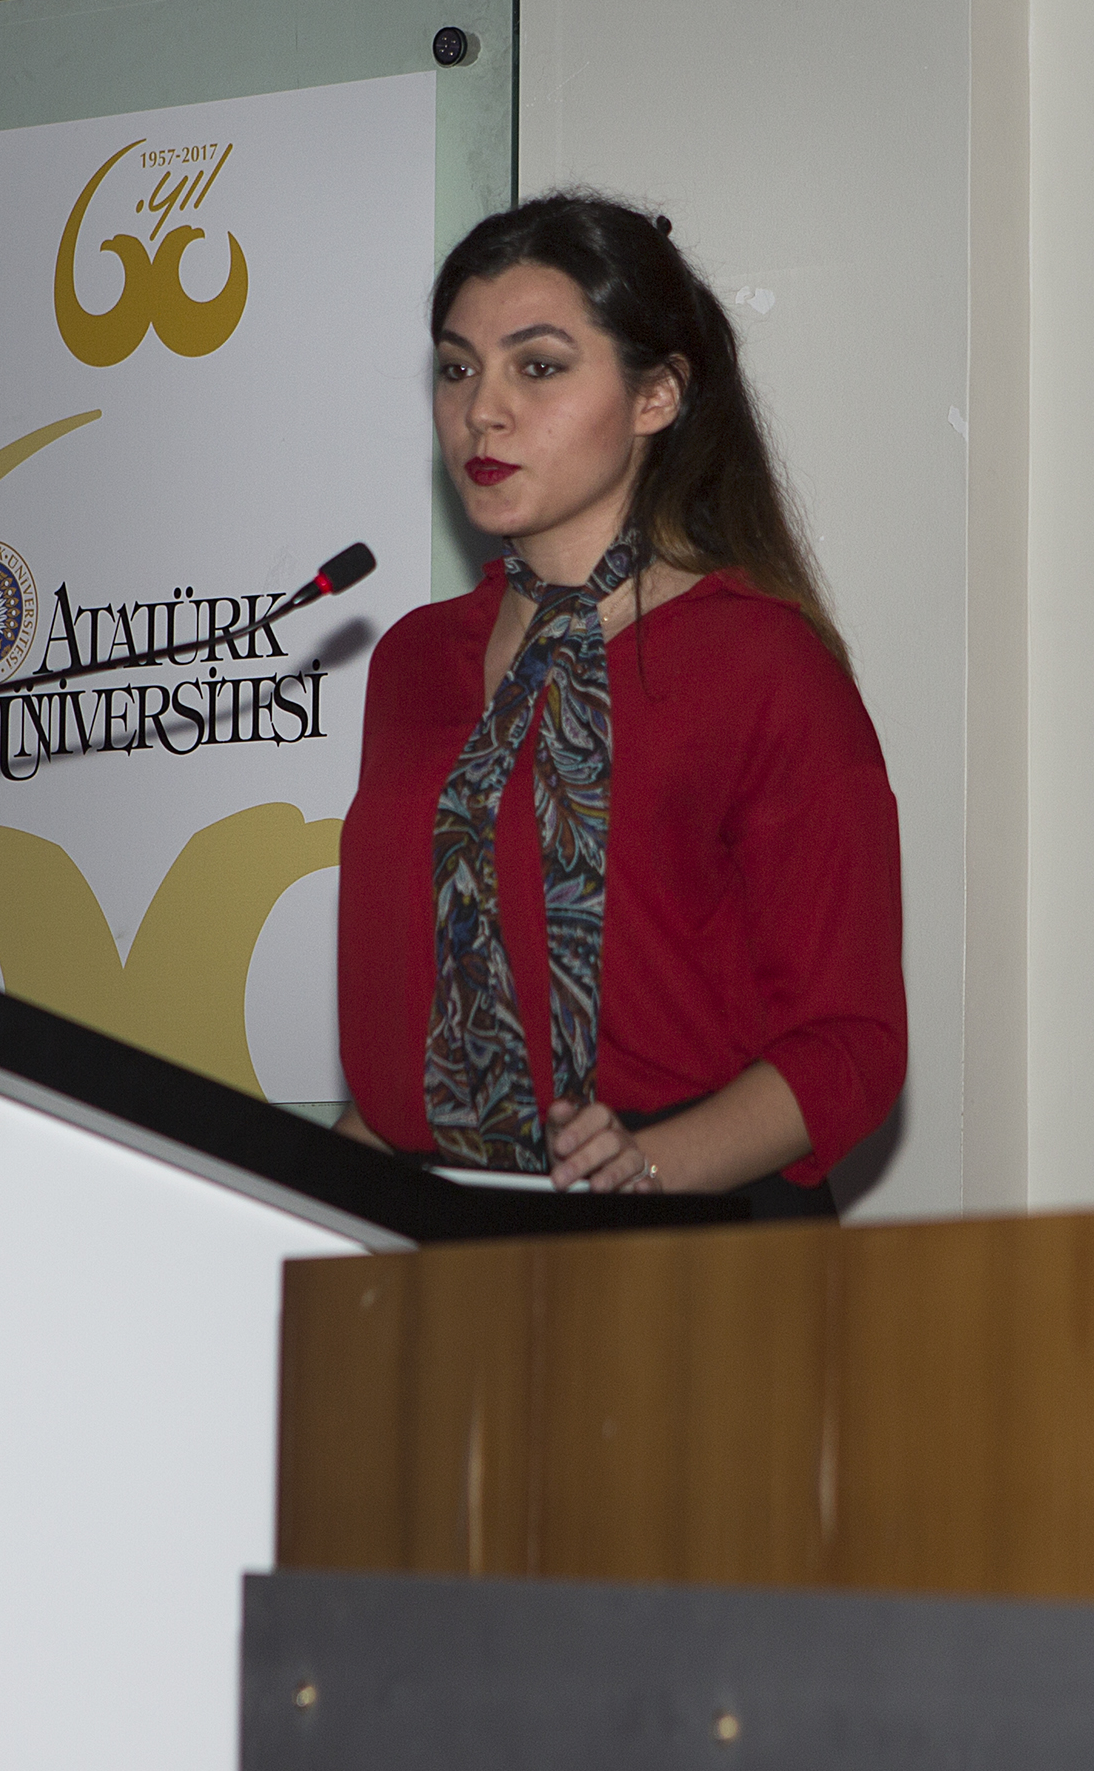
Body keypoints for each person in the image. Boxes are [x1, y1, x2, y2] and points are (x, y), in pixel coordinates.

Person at [330, 193, 905, 1216]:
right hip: (437, 1233)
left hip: (687, 1239)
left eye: (538, 367)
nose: (482, 411)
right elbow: (413, 1026)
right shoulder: (413, 662)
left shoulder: (761, 663)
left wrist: (647, 1168)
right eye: (457, 369)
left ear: (658, 397)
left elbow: (850, 1045)